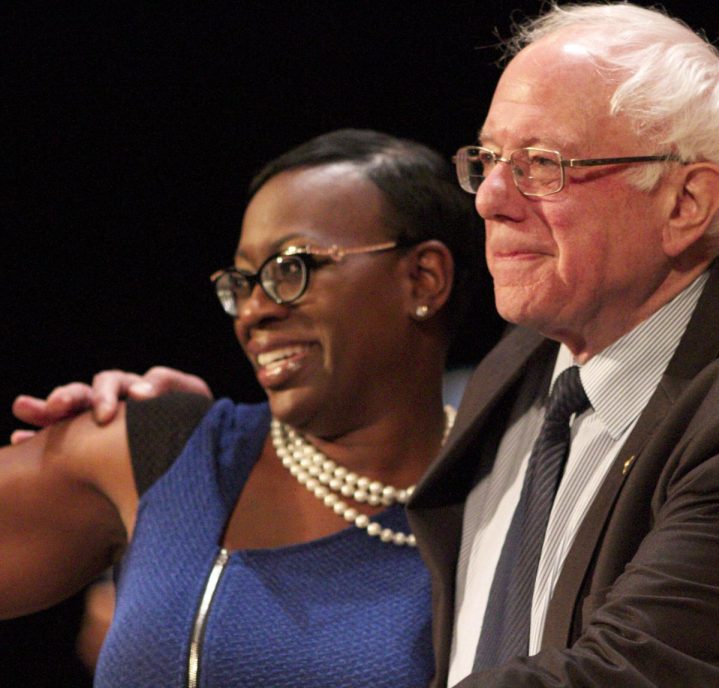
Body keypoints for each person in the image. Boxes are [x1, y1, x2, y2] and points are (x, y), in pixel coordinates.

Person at [15, 3, 719, 687]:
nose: (490, 199)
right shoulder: (530, 371)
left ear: (686, 203)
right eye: (488, 162)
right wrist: (201, 449)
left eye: (545, 167)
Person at [1, 127, 492, 687]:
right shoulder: (166, 452)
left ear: (423, 279)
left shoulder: (503, 507)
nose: (254, 311)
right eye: (244, 281)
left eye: (291, 268)